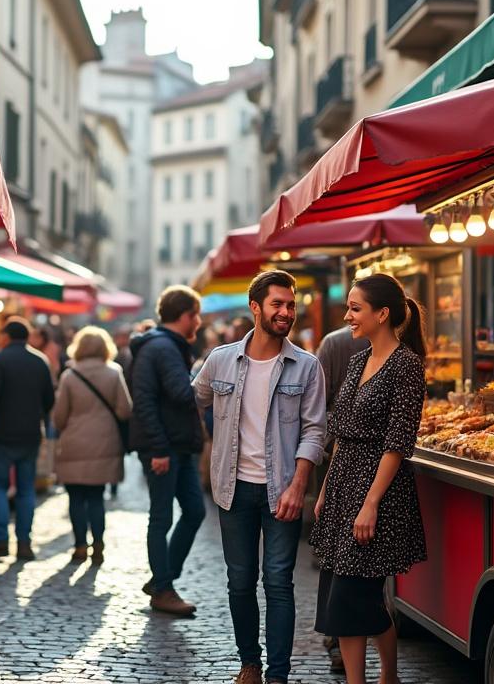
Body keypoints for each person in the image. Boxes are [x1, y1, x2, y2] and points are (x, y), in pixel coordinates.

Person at [193, 271, 326, 684]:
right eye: (278, 304)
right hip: (233, 489)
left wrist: (299, 484)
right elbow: (197, 400)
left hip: (282, 489)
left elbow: (316, 429)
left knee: (279, 583)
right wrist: (214, 448)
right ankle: (249, 663)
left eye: (290, 304)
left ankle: (278, 675)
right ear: (256, 307)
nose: (286, 312)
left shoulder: (306, 366)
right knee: (239, 581)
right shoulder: (220, 359)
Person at [310, 273, 428, 684]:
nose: (348, 316)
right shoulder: (359, 359)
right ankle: (385, 679)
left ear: (382, 313)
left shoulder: (407, 366)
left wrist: (371, 502)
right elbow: (341, 430)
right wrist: (325, 490)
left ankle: (382, 677)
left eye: (355, 308)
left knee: (351, 598)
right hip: (344, 485)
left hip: (379, 490)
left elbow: (398, 442)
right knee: (349, 598)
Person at [129, 285, 207, 616]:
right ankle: (163, 588)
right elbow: (174, 394)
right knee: (161, 517)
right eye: (196, 315)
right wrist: (209, 373)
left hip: (179, 445)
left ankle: (163, 578)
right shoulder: (162, 348)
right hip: (165, 448)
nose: (200, 322)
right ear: (185, 316)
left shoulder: (167, 346)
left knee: (194, 512)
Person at [313, 306, 370, 674]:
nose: (349, 315)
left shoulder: (400, 358)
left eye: (356, 307)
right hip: (338, 464)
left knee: (353, 568)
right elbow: (317, 405)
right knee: (337, 564)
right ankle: (337, 643)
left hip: (363, 472)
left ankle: (352, 650)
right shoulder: (337, 345)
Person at [51, 326, 132, 563]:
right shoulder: (114, 372)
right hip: (105, 444)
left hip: (74, 444)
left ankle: (79, 546)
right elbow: (125, 410)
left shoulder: (69, 376)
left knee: (75, 498)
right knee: (97, 497)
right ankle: (98, 544)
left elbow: (59, 417)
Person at [0, 317, 55, 560]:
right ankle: (24, 543)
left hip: (1, 434)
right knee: (25, 491)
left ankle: (0, 541)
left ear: (6, 336)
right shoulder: (40, 361)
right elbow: (49, 401)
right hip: (30, 434)